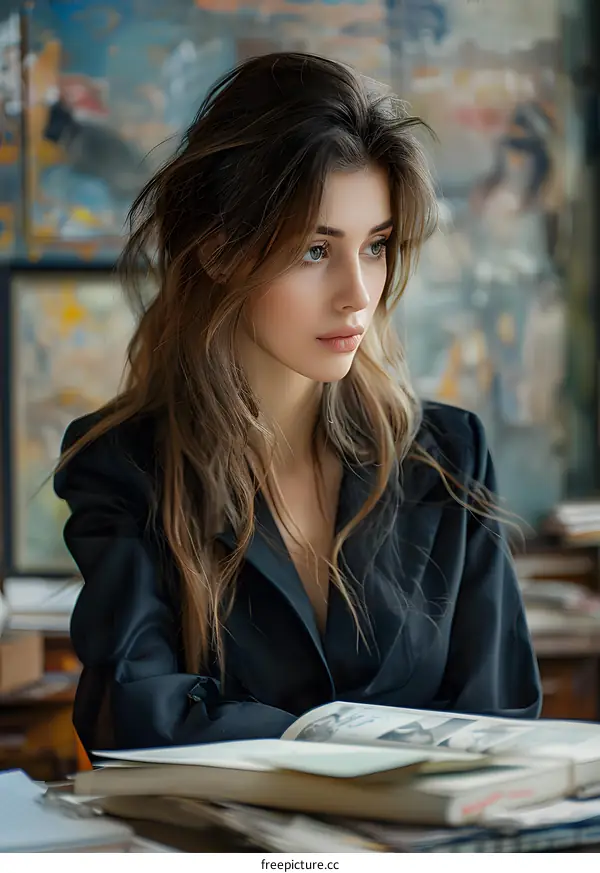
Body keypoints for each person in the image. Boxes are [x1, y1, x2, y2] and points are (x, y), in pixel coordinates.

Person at [53, 52, 542, 755]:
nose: (357, 294)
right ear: (220, 250)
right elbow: (139, 719)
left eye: (375, 246)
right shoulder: (123, 467)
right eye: (316, 250)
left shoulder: (448, 455)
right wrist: (371, 752)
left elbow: (501, 726)